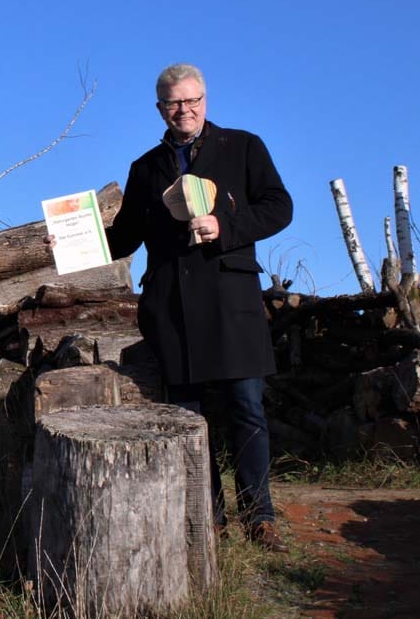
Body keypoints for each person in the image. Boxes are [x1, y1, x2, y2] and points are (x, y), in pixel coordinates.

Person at [102, 64, 293, 551]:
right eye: (173, 103)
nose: (183, 110)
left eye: (192, 101)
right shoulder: (145, 167)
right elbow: (124, 236)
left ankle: (260, 517)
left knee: (247, 408)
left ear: (205, 100)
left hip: (231, 300)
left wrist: (224, 226)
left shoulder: (243, 146)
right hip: (173, 305)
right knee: (187, 416)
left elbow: (279, 206)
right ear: (159, 108)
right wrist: (74, 240)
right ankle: (206, 517)